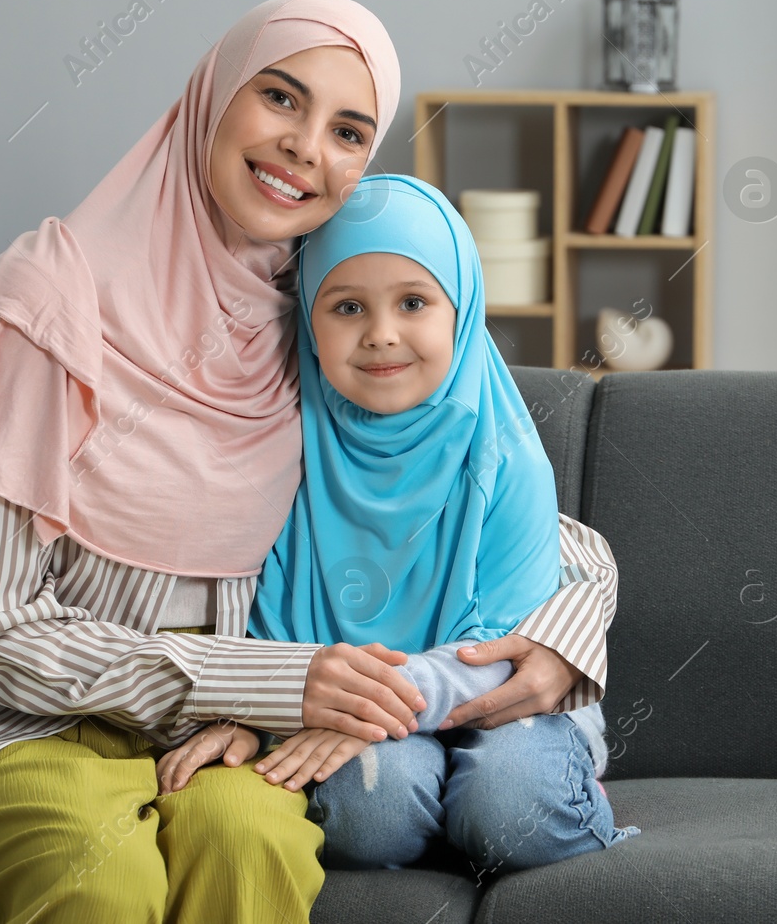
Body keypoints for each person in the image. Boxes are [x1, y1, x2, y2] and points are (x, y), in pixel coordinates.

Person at [0, 0, 620, 924]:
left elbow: (469, 505)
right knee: (107, 880)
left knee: (257, 845)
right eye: (281, 98)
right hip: (15, 725)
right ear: (214, 93)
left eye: (349, 131)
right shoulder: (48, 306)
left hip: (213, 735)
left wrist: (565, 633)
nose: (305, 146)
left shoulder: (303, 318)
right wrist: (273, 681)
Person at [156, 176, 638, 878]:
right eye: (347, 306)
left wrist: (364, 700)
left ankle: (503, 802)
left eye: (413, 302)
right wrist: (251, 710)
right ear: (309, 325)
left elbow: (502, 653)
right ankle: (441, 810)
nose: (381, 333)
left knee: (511, 804)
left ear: (461, 309)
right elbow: (260, 620)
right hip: (344, 714)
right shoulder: (278, 452)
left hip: (489, 701)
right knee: (370, 815)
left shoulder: (506, 455)